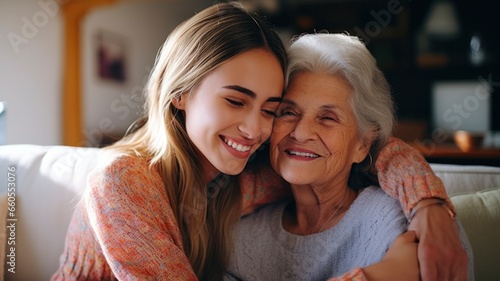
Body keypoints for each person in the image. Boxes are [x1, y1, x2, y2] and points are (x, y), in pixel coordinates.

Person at [51, 3, 467, 281]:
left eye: (271, 108)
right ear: (179, 93)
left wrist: (428, 206)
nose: (255, 130)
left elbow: (372, 148)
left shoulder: (246, 178)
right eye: (235, 100)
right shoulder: (121, 181)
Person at [225, 33, 474, 281]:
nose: (300, 133)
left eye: (328, 118)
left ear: (363, 143)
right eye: (288, 112)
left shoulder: (405, 221)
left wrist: (428, 202)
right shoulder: (238, 239)